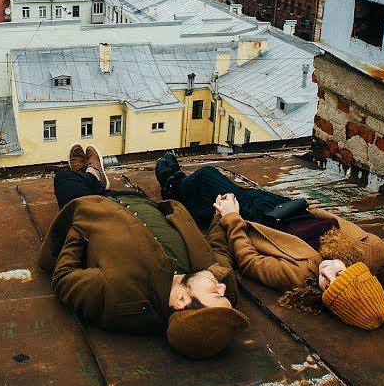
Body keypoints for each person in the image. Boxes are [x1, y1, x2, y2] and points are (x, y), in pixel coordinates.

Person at [38, 144, 250, 359]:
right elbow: (219, 249)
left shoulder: (118, 298)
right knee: (79, 183)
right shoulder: (212, 276)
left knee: (64, 179)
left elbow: (64, 278)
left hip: (88, 206)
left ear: (181, 301)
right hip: (138, 201)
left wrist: (78, 228)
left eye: (216, 293)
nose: (223, 287)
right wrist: (223, 215)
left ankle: (91, 174)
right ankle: (92, 176)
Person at [156, 153, 384, 330]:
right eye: (338, 274)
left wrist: (232, 218)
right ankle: (183, 188)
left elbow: (249, 261)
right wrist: (307, 207)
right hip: (289, 206)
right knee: (208, 196)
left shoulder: (300, 276)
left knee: (209, 178)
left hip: (262, 219)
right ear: (359, 270)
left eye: (327, 288)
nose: (326, 274)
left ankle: (173, 184)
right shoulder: (372, 249)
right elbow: (335, 220)